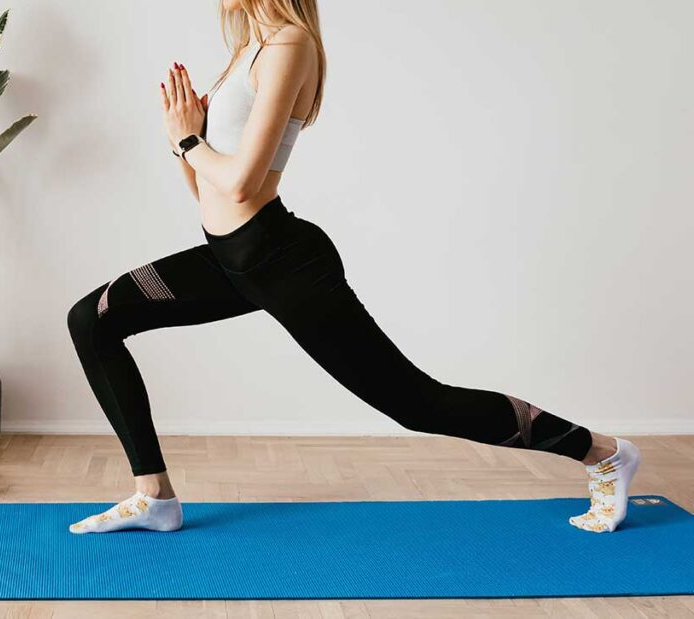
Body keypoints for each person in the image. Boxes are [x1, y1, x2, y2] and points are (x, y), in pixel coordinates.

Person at [66, 0, 640, 535]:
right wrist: (180, 141)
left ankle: (605, 453)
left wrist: (188, 137)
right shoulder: (246, 51)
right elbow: (207, 190)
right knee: (91, 319)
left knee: (418, 403)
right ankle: (156, 496)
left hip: (283, 261)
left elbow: (242, 183)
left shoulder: (290, 46)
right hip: (227, 259)